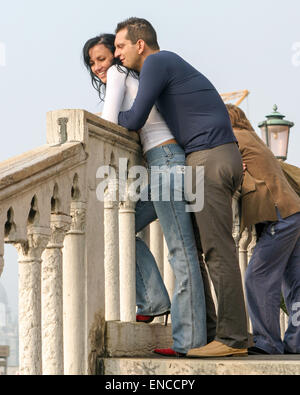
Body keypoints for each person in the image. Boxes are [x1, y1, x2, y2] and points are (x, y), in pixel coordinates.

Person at [114, 17, 249, 357]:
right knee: (204, 250)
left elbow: (133, 118)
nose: (117, 54)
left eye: (120, 46)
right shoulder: (168, 63)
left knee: (217, 251)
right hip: (212, 157)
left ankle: (232, 340)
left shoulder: (157, 62)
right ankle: (214, 333)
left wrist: (108, 114)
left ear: (140, 44)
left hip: (209, 159)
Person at [83, 34, 207, 356]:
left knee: (181, 252)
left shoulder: (117, 74)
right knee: (122, 227)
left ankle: (187, 343)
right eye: (92, 62)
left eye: (102, 57)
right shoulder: (132, 77)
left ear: (116, 54)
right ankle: (153, 299)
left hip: (165, 164)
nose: (98, 67)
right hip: (164, 163)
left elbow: (109, 121)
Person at [226, 104, 300, 355]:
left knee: (257, 277)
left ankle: (268, 343)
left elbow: (223, 168)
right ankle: (296, 342)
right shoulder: (254, 139)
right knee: (294, 283)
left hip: (280, 216)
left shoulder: (234, 138)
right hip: (293, 213)